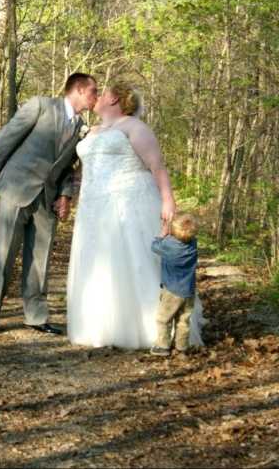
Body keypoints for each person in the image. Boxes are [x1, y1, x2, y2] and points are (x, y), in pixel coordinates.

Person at [0, 73, 99, 335]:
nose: (95, 97)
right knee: (4, 253)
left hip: (47, 198)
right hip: (16, 188)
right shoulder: (41, 105)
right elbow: (8, 136)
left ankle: (36, 316)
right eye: (93, 91)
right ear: (78, 89)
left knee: (40, 259)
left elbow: (69, 167)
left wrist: (65, 195)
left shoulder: (81, 127)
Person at [66, 80, 178, 349]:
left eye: (103, 93)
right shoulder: (91, 131)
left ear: (115, 99)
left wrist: (168, 200)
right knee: (98, 264)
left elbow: (156, 166)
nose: (98, 97)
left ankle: (149, 328)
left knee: (133, 260)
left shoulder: (133, 127)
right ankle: (101, 326)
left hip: (128, 202)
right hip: (93, 206)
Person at [150, 212, 204, 356]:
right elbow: (186, 235)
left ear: (173, 232)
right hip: (188, 290)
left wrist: (162, 233)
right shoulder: (193, 244)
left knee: (164, 319)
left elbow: (154, 246)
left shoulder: (168, 244)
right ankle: (181, 347)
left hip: (172, 290)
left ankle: (163, 346)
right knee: (183, 320)